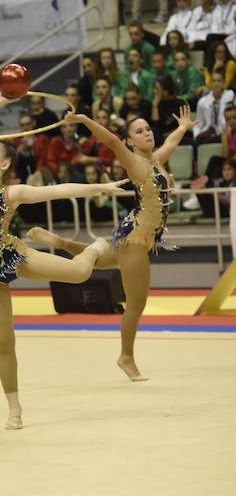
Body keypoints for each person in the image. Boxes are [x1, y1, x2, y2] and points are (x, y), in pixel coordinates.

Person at [0, 93, 125, 431]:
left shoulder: (12, 193)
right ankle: (14, 407)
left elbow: (59, 190)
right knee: (3, 339)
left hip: (13, 255)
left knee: (79, 273)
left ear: (4, 164)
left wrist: (100, 186)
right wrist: (3, 100)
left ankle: (93, 246)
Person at [30, 106, 195, 383]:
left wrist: (182, 128)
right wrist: (82, 119)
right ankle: (126, 356)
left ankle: (61, 242)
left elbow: (170, 143)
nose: (147, 133)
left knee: (102, 261)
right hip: (136, 240)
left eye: (147, 129)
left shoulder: (154, 160)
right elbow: (111, 141)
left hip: (136, 233)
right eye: (139, 131)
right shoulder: (134, 162)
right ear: (130, 141)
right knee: (136, 304)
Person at [193, 72, 234, 145]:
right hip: (208, 134)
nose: (216, 84)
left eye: (219, 81)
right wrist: (196, 136)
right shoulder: (202, 102)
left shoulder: (230, 95)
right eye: (214, 81)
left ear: (224, 82)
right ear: (210, 83)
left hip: (226, 133)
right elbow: (199, 124)